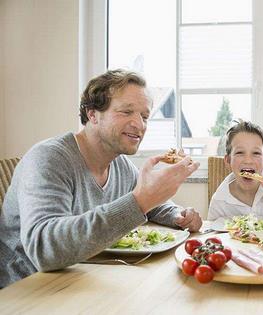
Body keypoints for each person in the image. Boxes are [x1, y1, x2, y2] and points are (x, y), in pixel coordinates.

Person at [0, 69, 202, 288]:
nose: (140, 124)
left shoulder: (120, 164)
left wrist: (178, 215)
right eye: (126, 112)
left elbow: (151, 204)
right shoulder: (48, 158)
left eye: (144, 116)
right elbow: (44, 250)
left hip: (81, 276)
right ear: (92, 114)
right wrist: (141, 200)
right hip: (26, 289)